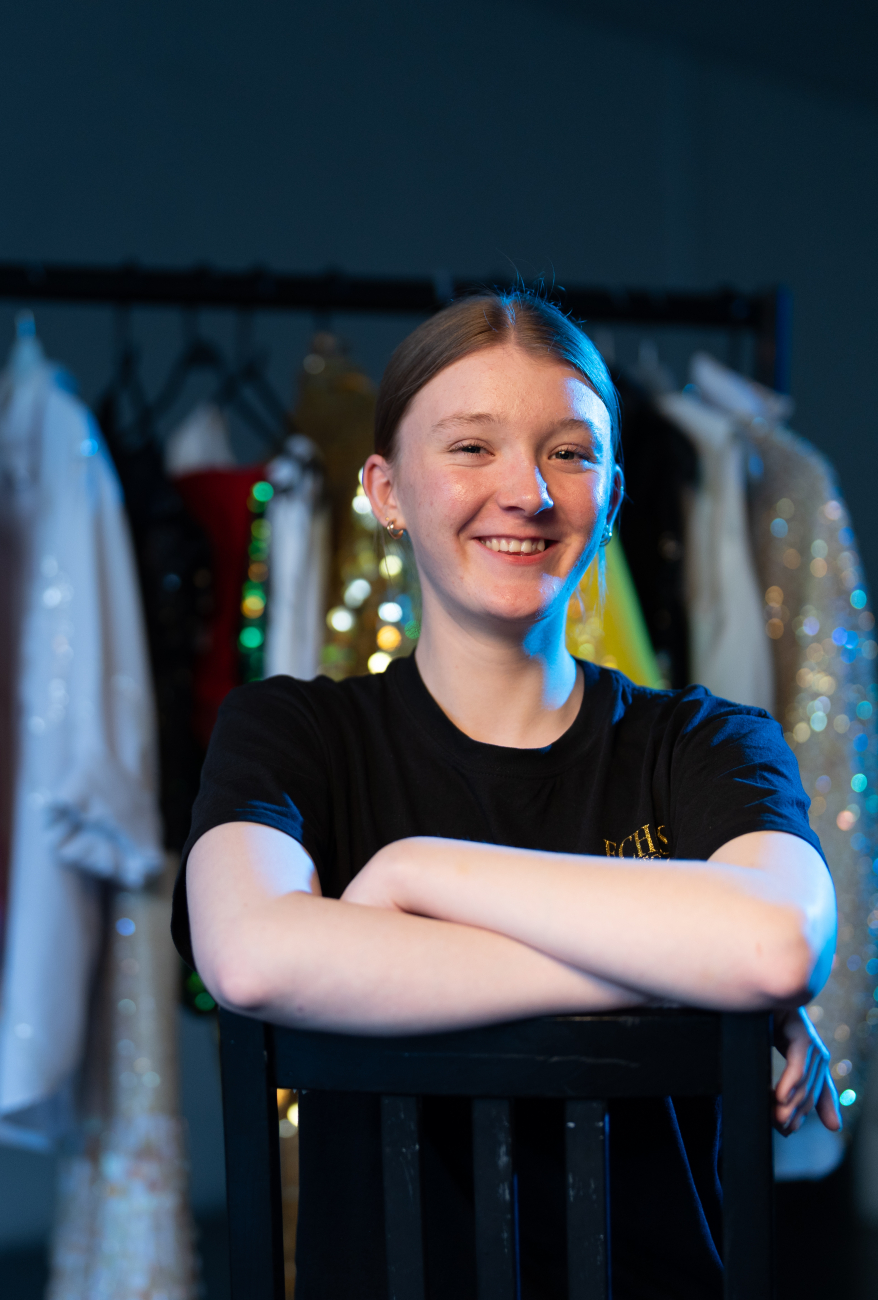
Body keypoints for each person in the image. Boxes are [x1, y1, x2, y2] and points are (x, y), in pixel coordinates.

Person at [173, 291, 839, 1299]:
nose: (524, 490)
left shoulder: (707, 742)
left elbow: (775, 945)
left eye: (568, 453)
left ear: (613, 496)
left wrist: (411, 872)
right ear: (386, 489)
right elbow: (254, 957)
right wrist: (681, 979)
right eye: (470, 447)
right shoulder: (291, 735)